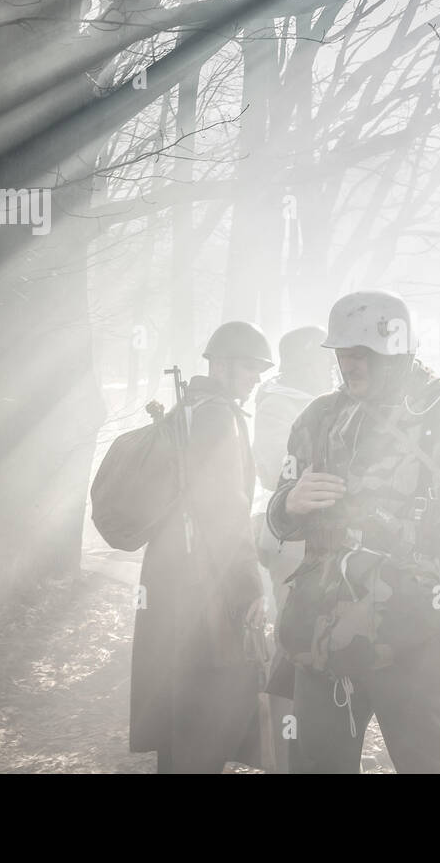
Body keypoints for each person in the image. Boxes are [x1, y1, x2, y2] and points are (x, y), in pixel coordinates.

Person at [266, 290, 440, 774]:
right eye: (343, 353)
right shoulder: (318, 419)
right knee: (314, 765)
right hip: (318, 637)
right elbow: (279, 512)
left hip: (413, 639)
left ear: (401, 351)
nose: (350, 365)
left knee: (429, 767)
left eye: (363, 353)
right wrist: (289, 503)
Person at [129, 321, 273, 773]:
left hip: (172, 578)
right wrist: (251, 589)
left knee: (182, 709)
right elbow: (226, 513)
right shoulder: (218, 417)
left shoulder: (189, 408)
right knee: (208, 711)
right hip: (205, 587)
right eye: (251, 368)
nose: (255, 379)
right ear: (225, 366)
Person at [251, 325, 332, 772]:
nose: (330, 367)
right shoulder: (280, 406)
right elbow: (271, 470)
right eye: (321, 359)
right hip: (292, 541)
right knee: (294, 645)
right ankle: (286, 754)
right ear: (300, 360)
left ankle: (313, 740)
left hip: (320, 540)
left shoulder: (325, 402)